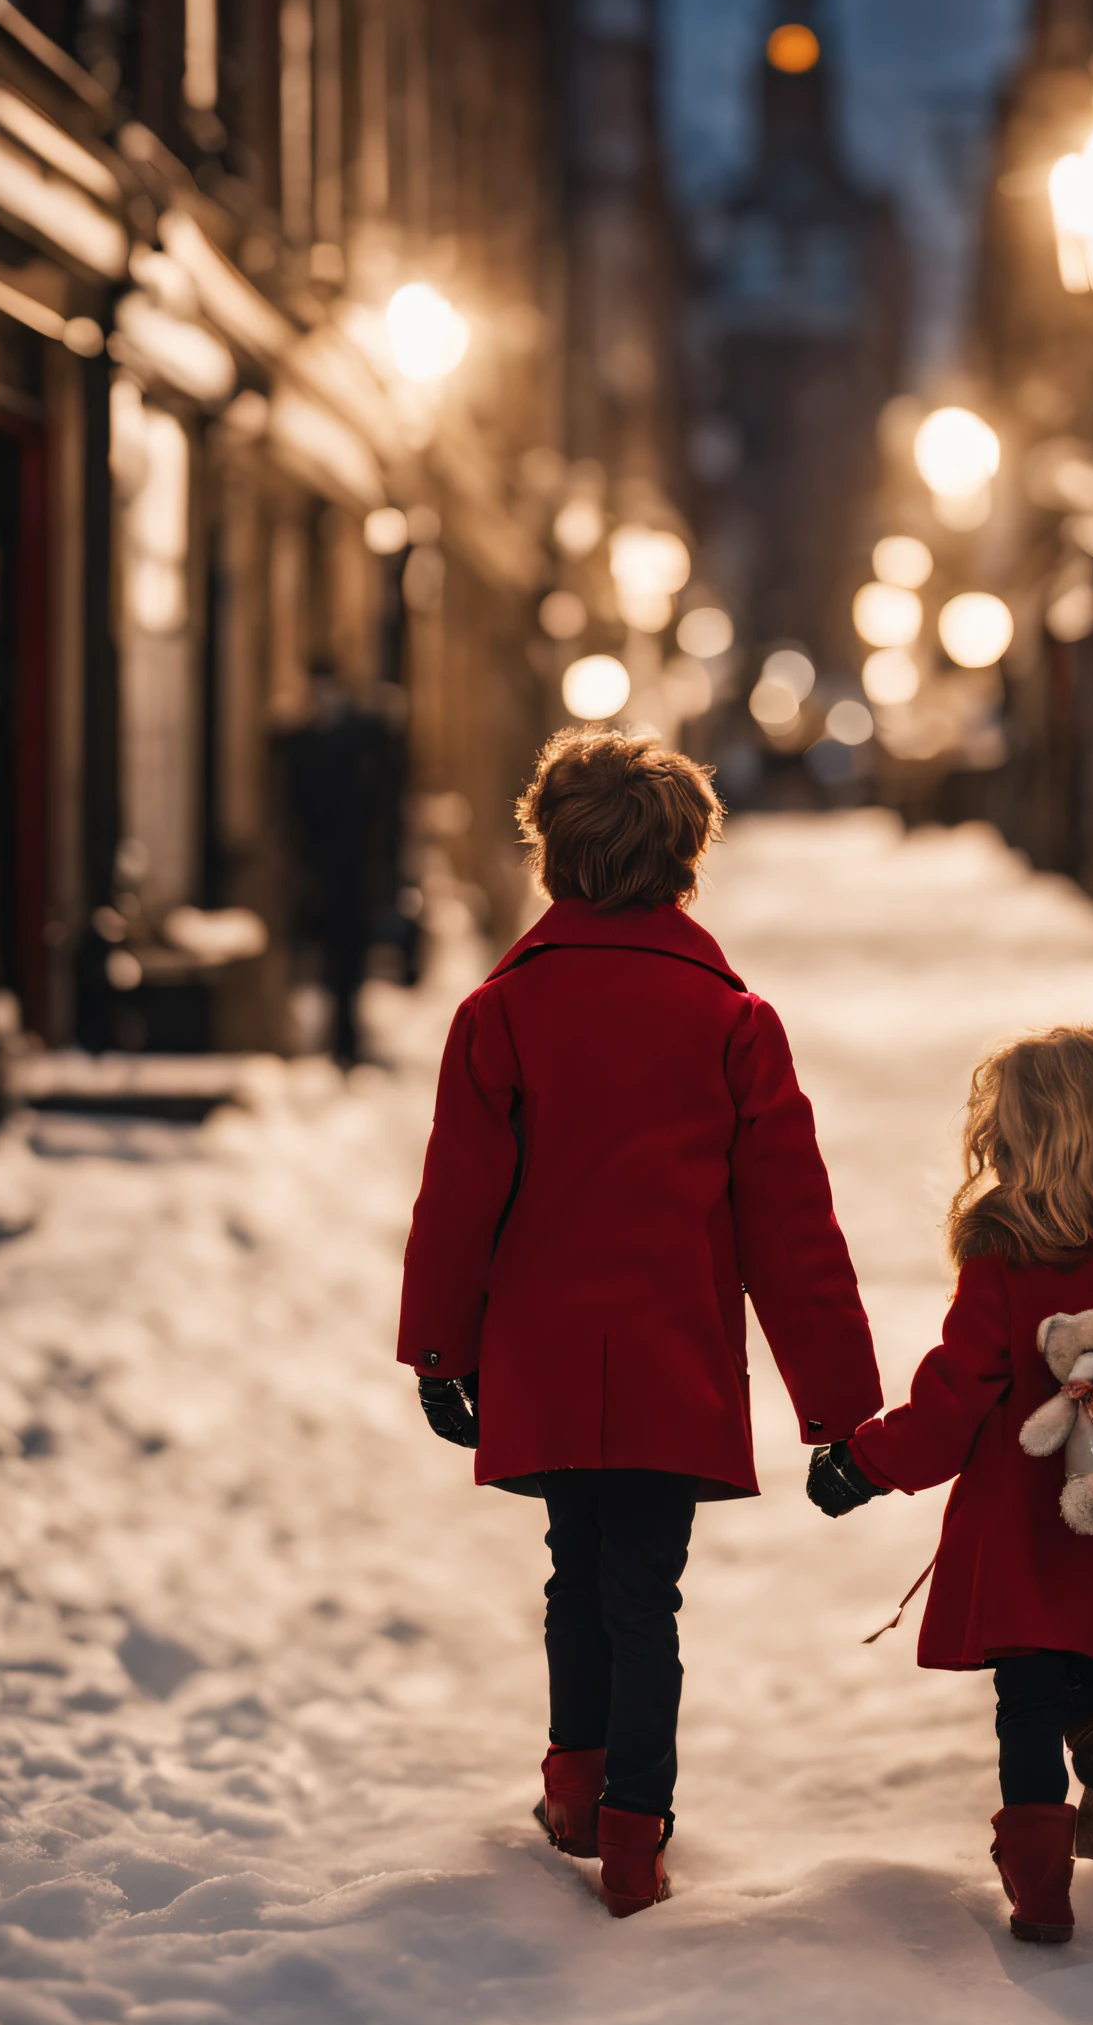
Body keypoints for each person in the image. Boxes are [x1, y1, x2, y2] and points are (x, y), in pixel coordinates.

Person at [398, 728, 882, 1917]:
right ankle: (634, 1823)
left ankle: (572, 1778)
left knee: (575, 1567)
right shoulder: (730, 1020)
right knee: (643, 1592)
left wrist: (438, 1350)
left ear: (550, 855)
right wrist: (836, 1406)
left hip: (549, 1354)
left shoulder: (500, 1012)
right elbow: (789, 1225)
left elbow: (459, 1196)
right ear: (684, 862)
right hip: (671, 1358)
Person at [808, 1027, 1093, 1946]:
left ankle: (1041, 1891)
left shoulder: (1008, 1251)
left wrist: (867, 1463)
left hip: (1027, 1518)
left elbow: (957, 1390)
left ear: (1012, 1136)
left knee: (1026, 1698)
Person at [278, 669, 405, 1068]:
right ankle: (340, 1039)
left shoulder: (344, 745)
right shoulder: (344, 747)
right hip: (339, 871)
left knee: (343, 957)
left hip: (344, 870)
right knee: (339, 958)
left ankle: (341, 1039)